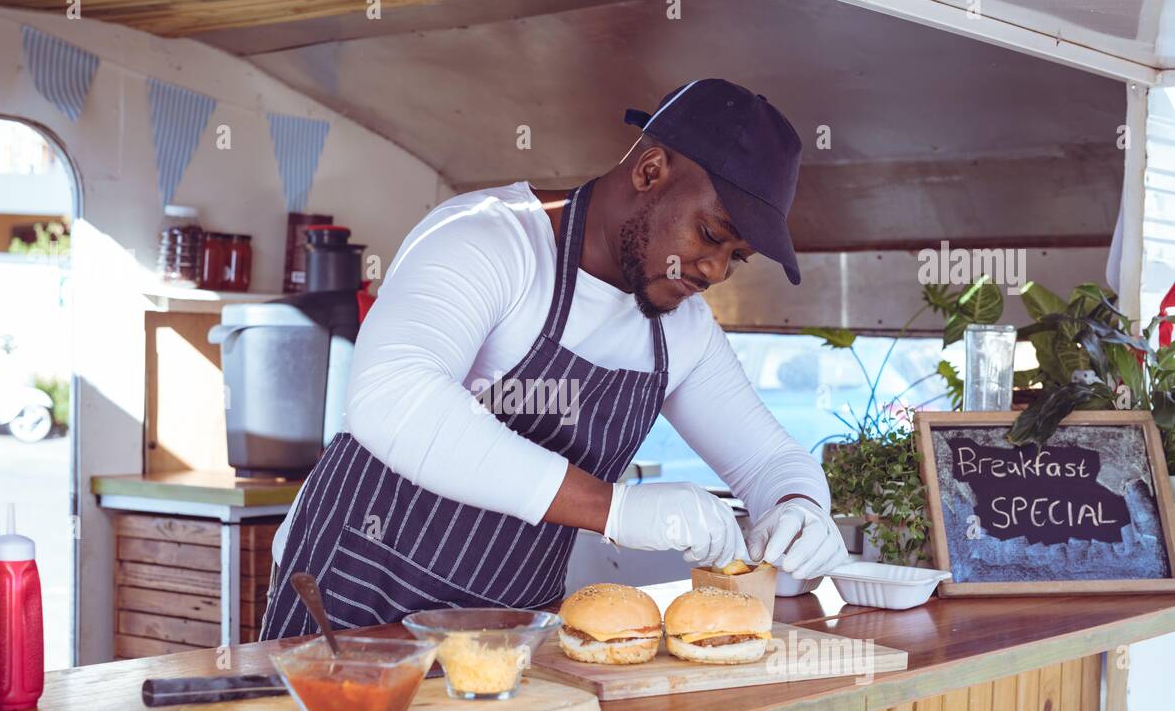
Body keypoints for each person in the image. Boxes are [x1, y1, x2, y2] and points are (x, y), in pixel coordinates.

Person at [263, 78, 847, 637]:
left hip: (509, 637)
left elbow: (769, 461)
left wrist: (799, 510)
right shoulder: (489, 239)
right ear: (650, 171)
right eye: (712, 234)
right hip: (353, 604)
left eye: (737, 258)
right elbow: (392, 402)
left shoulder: (683, 331)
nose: (716, 271)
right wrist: (617, 511)